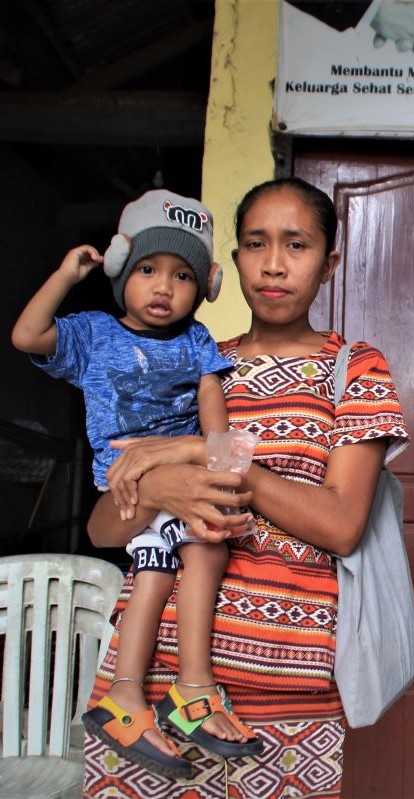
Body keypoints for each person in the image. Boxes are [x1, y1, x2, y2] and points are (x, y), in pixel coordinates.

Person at [79, 176, 409, 799]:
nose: (274, 264)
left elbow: (341, 525)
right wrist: (160, 490)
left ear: (329, 263)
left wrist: (209, 453)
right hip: (149, 682)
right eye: (256, 244)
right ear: (233, 260)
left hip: (286, 682)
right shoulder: (190, 364)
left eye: (297, 245)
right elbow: (103, 529)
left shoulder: (354, 368)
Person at [10, 189, 257, 778]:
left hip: (184, 479)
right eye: (147, 269)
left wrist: (220, 470)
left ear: (206, 286)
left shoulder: (197, 342)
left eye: (182, 276)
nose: (164, 287)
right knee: (198, 555)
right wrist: (65, 276)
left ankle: (132, 694)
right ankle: (187, 688)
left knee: (163, 568)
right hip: (125, 486)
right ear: (121, 269)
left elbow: (218, 429)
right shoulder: (93, 334)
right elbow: (26, 337)